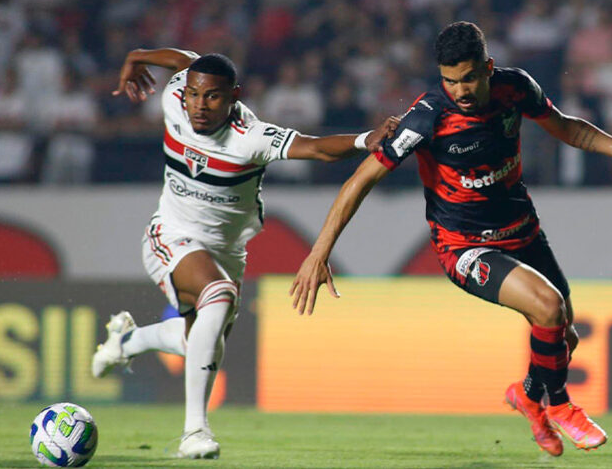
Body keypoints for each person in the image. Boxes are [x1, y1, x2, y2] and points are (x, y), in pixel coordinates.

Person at [290, 22, 612, 457]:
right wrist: (319, 251)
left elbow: (566, 127)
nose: (459, 90)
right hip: (464, 245)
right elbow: (361, 178)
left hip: (523, 230)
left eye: (467, 78)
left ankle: (527, 397)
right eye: (449, 80)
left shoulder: (515, 88)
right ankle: (559, 405)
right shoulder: (427, 117)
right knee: (549, 306)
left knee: (564, 337)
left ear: (488, 68)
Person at [90, 47, 398, 459]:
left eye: (213, 97)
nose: (200, 105)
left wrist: (365, 140)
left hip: (227, 252)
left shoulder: (250, 137)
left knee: (198, 340)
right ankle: (194, 432)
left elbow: (317, 147)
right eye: (194, 95)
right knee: (218, 296)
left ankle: (126, 342)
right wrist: (138, 55)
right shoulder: (176, 95)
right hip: (171, 234)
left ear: (234, 96)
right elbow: (188, 61)